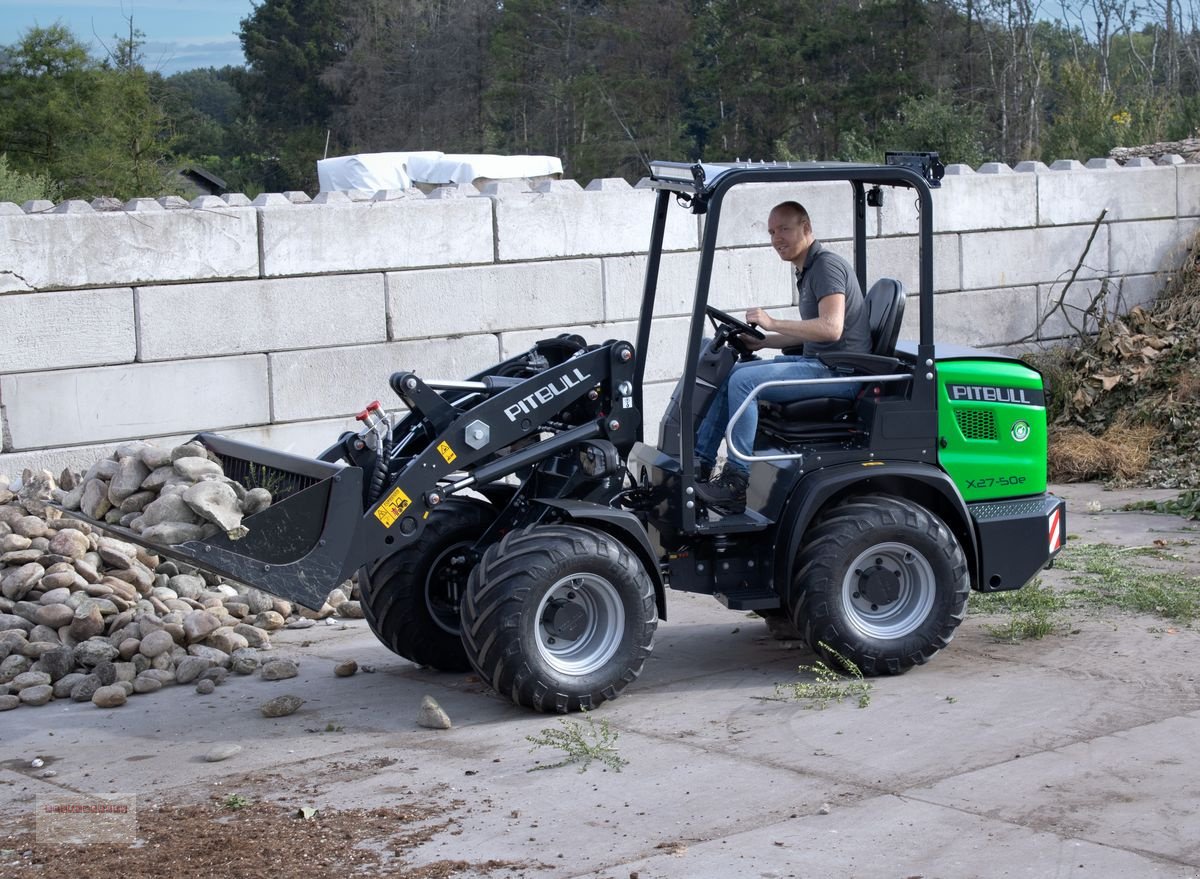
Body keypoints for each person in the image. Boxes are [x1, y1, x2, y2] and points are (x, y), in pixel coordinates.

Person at [694, 200, 871, 512]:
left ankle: (735, 483)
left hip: (840, 373)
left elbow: (831, 329)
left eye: (784, 229)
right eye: (772, 232)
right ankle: (699, 464)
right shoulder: (808, 269)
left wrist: (772, 322)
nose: (777, 238)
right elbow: (809, 332)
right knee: (732, 374)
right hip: (819, 363)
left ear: (806, 228)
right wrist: (764, 342)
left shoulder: (826, 266)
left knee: (745, 383)